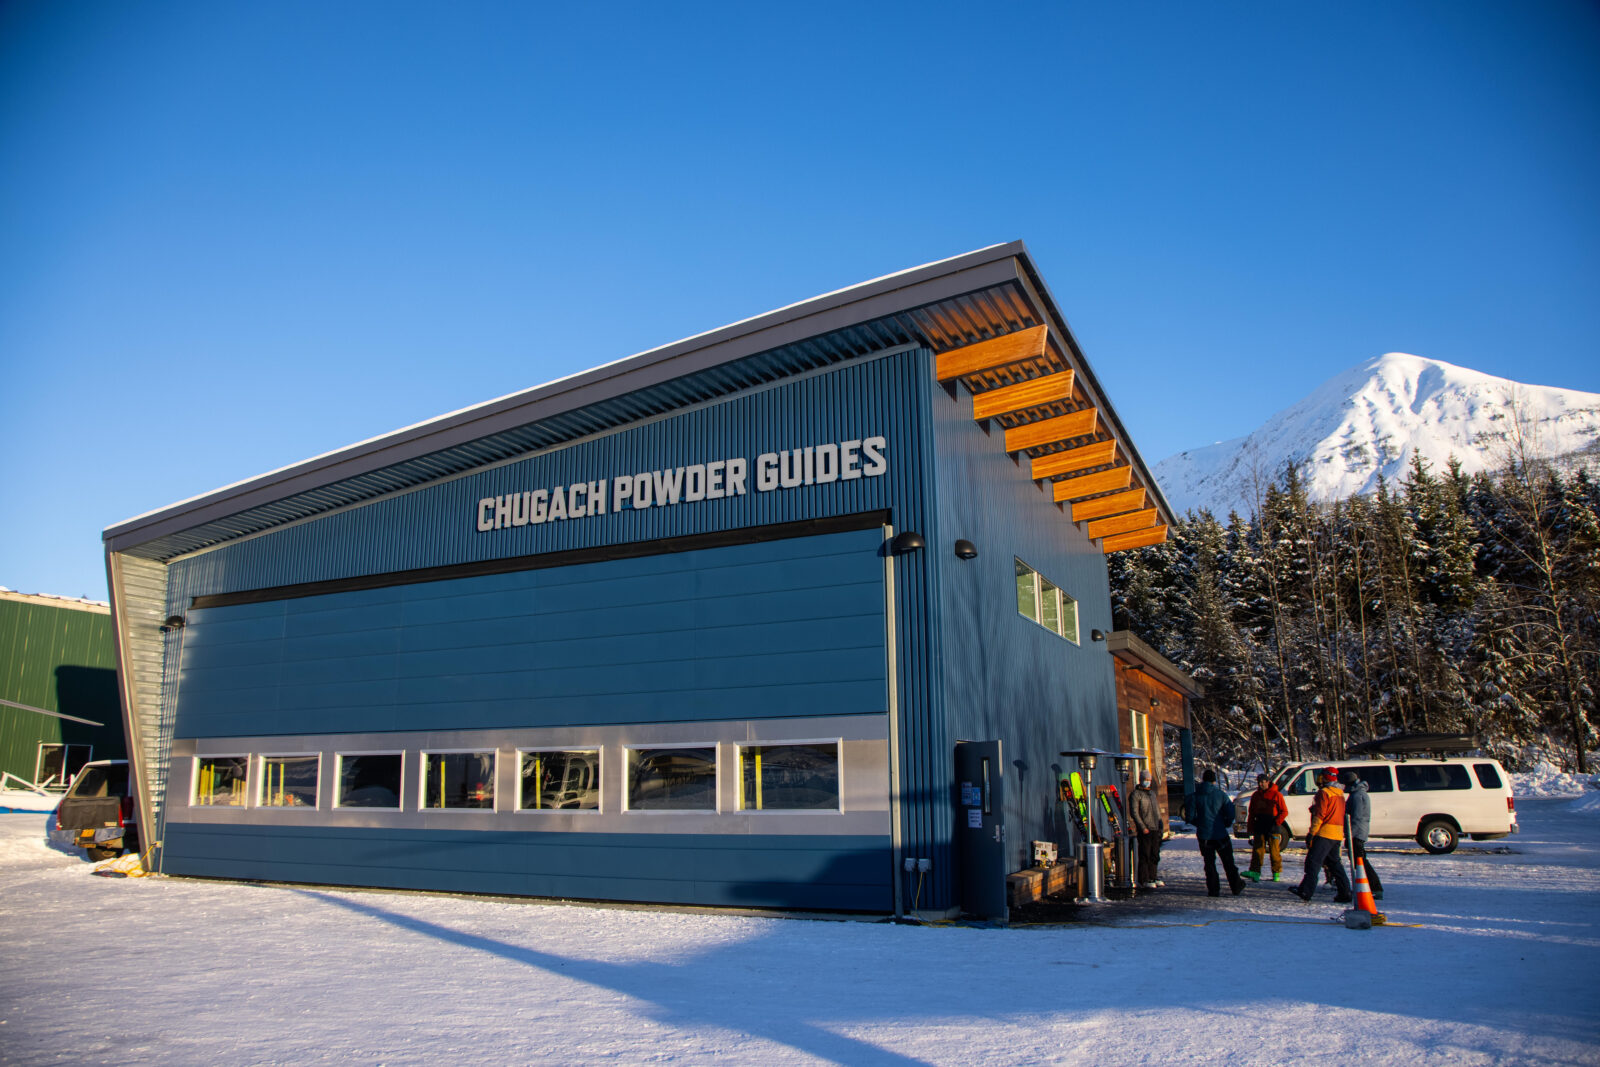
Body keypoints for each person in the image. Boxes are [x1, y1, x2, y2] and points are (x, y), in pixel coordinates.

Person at [1290, 767, 1352, 903]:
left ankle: (1306, 891)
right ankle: (1345, 891)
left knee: (1313, 862)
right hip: (1336, 834)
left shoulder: (1324, 793)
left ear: (1325, 777)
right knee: (1334, 863)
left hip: (1324, 833)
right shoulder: (1340, 793)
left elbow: (1320, 815)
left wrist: (1312, 833)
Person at [1186, 768, 1244, 896]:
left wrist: (1200, 823)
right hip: (1221, 835)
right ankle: (1236, 886)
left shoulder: (1195, 796)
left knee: (1209, 863)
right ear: (1214, 780)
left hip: (1204, 836)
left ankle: (1213, 889)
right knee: (1228, 862)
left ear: (1203, 780)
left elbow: (1189, 816)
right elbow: (1230, 812)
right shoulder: (1221, 795)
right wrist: (1226, 823)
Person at [1340, 769, 1383, 900]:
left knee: (1360, 861)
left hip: (1357, 832)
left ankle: (1375, 887)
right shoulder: (1357, 793)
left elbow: (1356, 817)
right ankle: (1368, 886)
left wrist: (1349, 833)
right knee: (1359, 860)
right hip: (1358, 831)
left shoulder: (1358, 795)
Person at [1242, 772, 1288, 882]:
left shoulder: (1277, 795)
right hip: (1260, 825)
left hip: (1272, 825)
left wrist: (1276, 822)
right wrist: (1250, 829)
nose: (1262, 784)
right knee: (1258, 850)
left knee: (1274, 851)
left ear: (1268, 782)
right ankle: (1255, 872)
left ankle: (1276, 872)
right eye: (1260, 783)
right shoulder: (1256, 795)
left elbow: (1284, 811)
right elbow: (1251, 813)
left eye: (1264, 782)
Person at [1127, 770, 1164, 888]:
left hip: (1155, 827)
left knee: (1155, 853)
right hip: (1145, 829)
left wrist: (1160, 825)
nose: (1147, 782)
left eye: (1149, 780)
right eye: (1145, 779)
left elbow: (1157, 811)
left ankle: (1153, 876)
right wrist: (1142, 827)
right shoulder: (1136, 794)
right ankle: (1144, 878)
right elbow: (1135, 812)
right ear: (1141, 780)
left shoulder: (1152, 794)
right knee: (1145, 853)